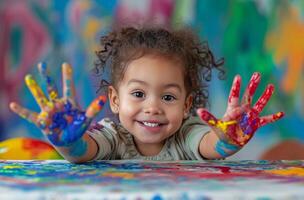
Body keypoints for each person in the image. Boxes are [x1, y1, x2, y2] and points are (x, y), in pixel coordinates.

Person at [9, 26, 284, 163]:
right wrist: (67, 143)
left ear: (187, 104)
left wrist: (228, 141)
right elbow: (84, 152)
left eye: (168, 97)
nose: (153, 107)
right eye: (139, 93)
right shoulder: (113, 137)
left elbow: (211, 145)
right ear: (115, 100)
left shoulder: (186, 136)